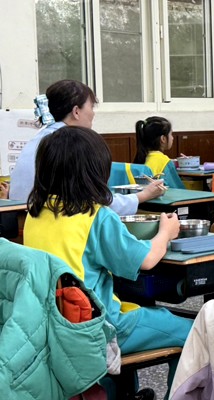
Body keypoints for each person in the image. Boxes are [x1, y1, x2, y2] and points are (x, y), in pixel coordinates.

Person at [23, 126, 193, 382]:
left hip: (51, 325)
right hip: (97, 328)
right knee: (194, 332)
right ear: (96, 171)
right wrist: (166, 232)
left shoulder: (35, 213)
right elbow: (146, 260)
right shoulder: (96, 216)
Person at [9, 80, 165, 215]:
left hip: (26, 221)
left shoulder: (40, 137)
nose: (93, 114)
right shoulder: (70, 144)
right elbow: (96, 203)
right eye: (91, 107)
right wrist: (143, 195)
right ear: (76, 111)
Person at [134, 116, 185, 189]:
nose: (172, 138)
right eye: (171, 134)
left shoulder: (141, 157)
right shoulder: (164, 161)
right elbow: (179, 190)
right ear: (163, 139)